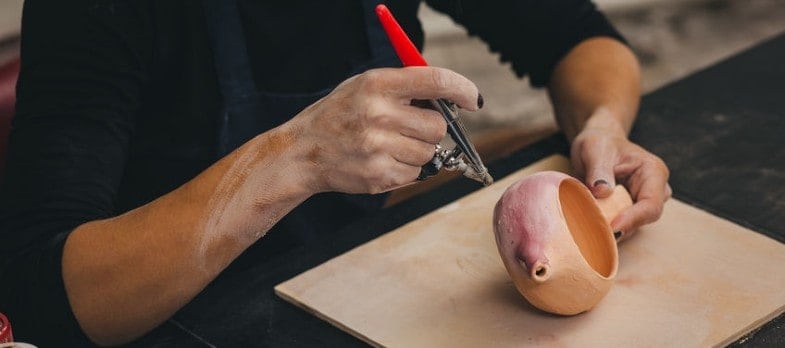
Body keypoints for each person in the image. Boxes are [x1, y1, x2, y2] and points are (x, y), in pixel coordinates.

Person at [0, 0, 670, 346]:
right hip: (180, 319)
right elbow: (52, 298)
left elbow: (576, 38)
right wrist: (288, 159)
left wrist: (603, 125)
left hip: (355, 282)